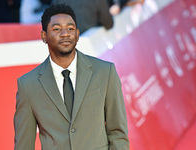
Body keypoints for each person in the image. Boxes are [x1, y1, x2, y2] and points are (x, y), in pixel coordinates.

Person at [14, 3, 129, 150]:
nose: (65, 33)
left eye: (70, 28)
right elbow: (23, 145)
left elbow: (118, 133)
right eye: (57, 29)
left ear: (77, 34)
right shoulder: (28, 85)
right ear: (44, 36)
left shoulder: (105, 72)